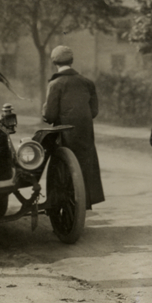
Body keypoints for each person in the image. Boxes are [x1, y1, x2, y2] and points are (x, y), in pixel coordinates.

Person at [42, 45, 104, 209]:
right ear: (72, 61)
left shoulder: (55, 84)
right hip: (85, 134)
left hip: (65, 136)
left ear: (54, 62)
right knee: (85, 165)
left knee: (61, 167)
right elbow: (94, 111)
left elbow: (49, 116)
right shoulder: (87, 83)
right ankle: (84, 203)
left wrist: (45, 111)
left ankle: (59, 204)